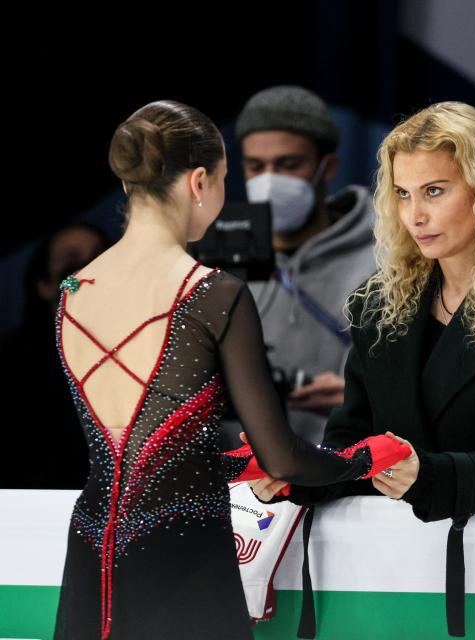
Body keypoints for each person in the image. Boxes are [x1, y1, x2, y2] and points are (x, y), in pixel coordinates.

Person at [51, 100, 405, 640]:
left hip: (90, 548)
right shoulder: (212, 294)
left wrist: (220, 462)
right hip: (183, 559)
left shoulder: (72, 293)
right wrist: (362, 459)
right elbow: (282, 457)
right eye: (223, 180)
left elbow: (132, 452)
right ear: (200, 181)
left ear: (129, 185)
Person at [251, 101, 475, 634]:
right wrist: (299, 475)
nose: (415, 215)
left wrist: (430, 477)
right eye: (403, 195)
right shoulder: (376, 303)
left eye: (435, 191)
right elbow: (350, 442)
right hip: (385, 569)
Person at [235, 85, 378, 443]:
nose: (269, 180)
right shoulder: (219, 252)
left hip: (349, 476)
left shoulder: (387, 255)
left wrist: (366, 395)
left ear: (327, 168)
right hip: (237, 479)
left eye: (288, 164)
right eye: (256, 166)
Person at [0, 222, 110, 489]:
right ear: (45, 285)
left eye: (100, 255)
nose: (88, 267)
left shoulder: (147, 353)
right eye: (71, 259)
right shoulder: (12, 362)